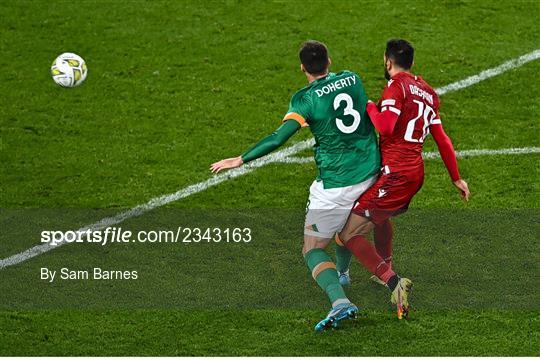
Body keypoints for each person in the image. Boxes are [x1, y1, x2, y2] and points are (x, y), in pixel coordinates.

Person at [210, 40, 380, 331]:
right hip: (370, 173)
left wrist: (241, 158)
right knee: (346, 230)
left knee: (312, 249)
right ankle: (342, 272)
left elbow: (278, 138)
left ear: (302, 67)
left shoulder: (304, 99)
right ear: (330, 59)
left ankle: (340, 302)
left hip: (335, 184)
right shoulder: (353, 78)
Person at [338, 39, 471, 319]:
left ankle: (393, 281)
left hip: (396, 175)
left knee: (348, 233)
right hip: (414, 173)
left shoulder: (395, 87)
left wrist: (370, 107)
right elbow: (443, 140)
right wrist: (456, 178)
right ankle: (385, 266)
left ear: (388, 61)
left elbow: (385, 128)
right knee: (381, 216)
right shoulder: (428, 91)